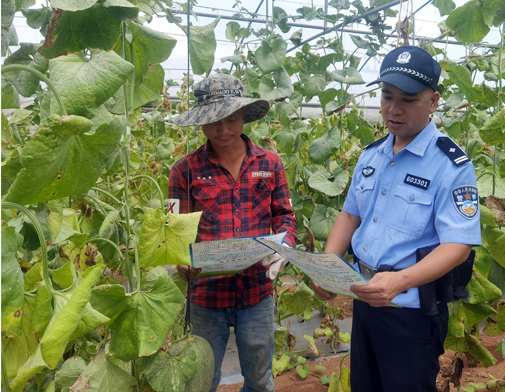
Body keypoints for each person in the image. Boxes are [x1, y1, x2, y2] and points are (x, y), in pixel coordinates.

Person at [310, 46, 481, 391]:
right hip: (365, 299)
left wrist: (400, 281)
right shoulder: (372, 155)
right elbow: (349, 215)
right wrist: (328, 267)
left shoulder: (450, 165)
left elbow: (458, 246)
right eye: (387, 97)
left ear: (433, 101)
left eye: (408, 100)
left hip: (411, 310)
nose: (393, 109)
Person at [168, 73, 297, 392]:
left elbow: (284, 215)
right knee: (201, 379)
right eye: (213, 121)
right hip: (206, 294)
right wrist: (179, 261)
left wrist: (283, 246)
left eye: (232, 118)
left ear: (243, 116)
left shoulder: (270, 163)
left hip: (256, 291)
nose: (223, 129)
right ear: (200, 122)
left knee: (259, 380)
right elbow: (173, 231)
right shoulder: (184, 170)